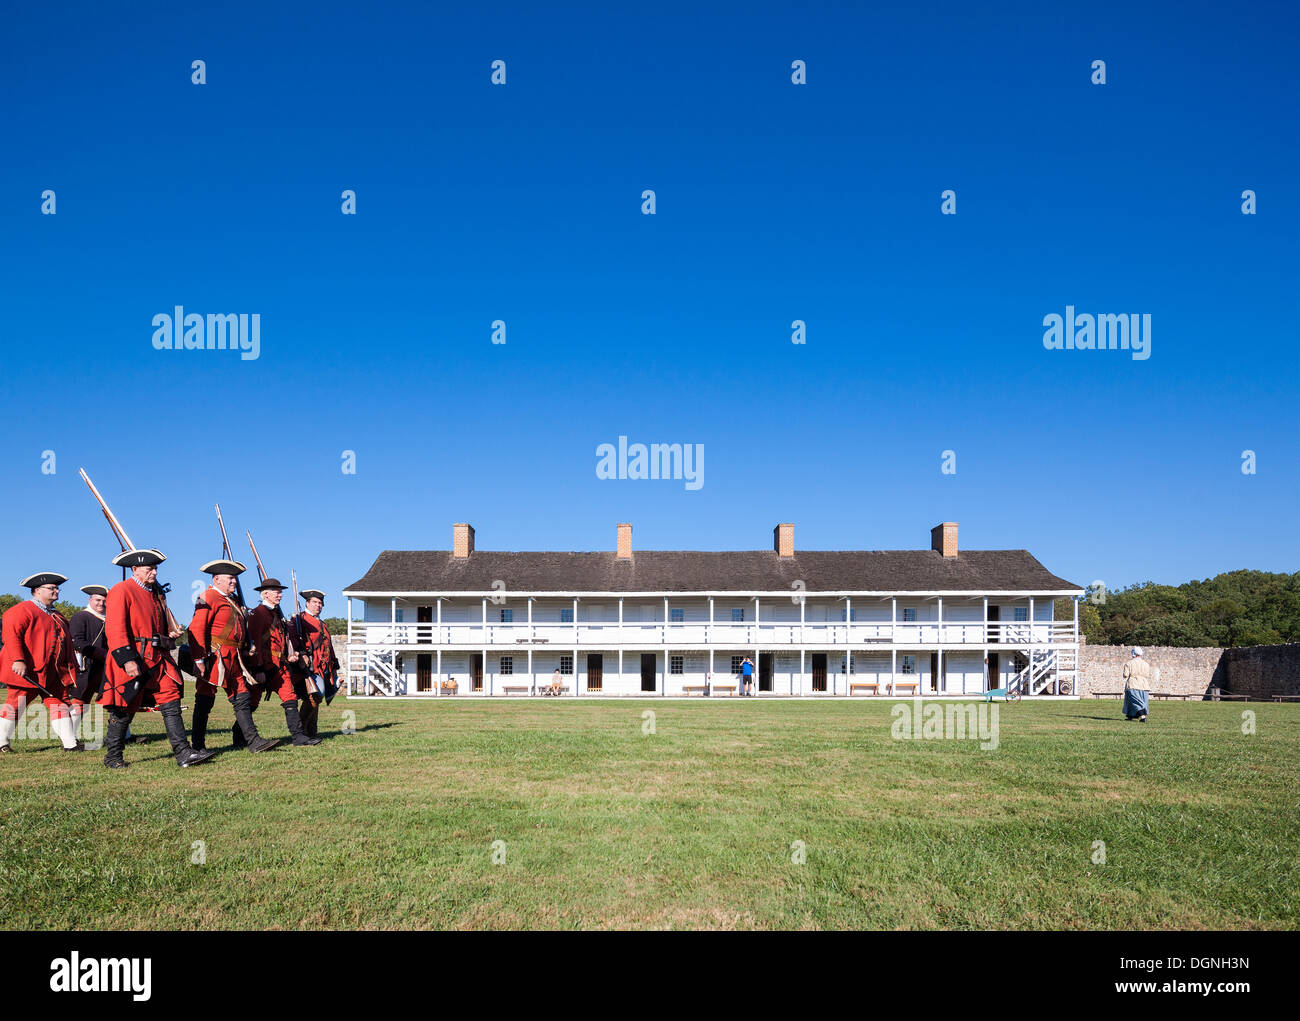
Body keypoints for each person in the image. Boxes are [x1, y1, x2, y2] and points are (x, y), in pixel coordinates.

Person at [101, 550, 215, 769]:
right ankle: (113, 757)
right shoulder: (121, 590)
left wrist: (168, 635)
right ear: (134, 569)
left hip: (158, 658)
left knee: (171, 700)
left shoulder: (156, 594)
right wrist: (126, 659)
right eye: (148, 569)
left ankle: (183, 753)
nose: (153, 572)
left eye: (155, 568)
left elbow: (155, 626)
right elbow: (114, 628)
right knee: (124, 708)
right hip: (133, 657)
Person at [188, 560, 280, 753]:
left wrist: (247, 646)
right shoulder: (207, 597)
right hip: (214, 656)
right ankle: (197, 746)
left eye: (234, 579)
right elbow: (196, 629)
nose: (234, 582)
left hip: (234, 657)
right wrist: (198, 659)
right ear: (217, 579)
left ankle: (253, 741)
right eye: (230, 578)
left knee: (243, 697)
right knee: (205, 700)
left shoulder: (235, 600)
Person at [0, 572, 82, 753]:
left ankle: (71, 744)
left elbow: (66, 645)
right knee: (16, 704)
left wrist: (71, 669)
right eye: (52, 588)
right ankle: (1, 743)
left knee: (59, 703)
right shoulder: (21, 610)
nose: (56, 592)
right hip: (28, 671)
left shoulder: (58, 616)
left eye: (57, 588)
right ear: (37, 590)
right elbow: (11, 637)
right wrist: (18, 660)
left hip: (53, 672)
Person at [247, 578, 318, 746]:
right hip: (263, 664)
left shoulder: (276, 613)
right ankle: (240, 735)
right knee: (253, 701)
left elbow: (282, 639)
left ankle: (298, 736)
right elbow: (255, 642)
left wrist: (289, 654)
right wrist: (257, 668)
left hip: (280, 664)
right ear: (265, 594)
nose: (280, 594)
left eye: (280, 591)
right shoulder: (258, 613)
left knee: (290, 698)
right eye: (276, 591)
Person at [287, 589, 340, 738]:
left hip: (323, 667)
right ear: (307, 603)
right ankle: (301, 728)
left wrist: (334, 666)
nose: (318, 605)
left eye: (320, 603)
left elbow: (329, 646)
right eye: (315, 602)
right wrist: (302, 654)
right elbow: (293, 639)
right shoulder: (299, 619)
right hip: (308, 666)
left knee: (314, 696)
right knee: (316, 694)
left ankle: (311, 731)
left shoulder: (322, 624)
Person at [69, 584, 110, 742]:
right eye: (98, 600)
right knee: (80, 701)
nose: (101, 603)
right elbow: (77, 641)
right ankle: (70, 737)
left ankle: (122, 735)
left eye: (104, 601)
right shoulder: (81, 617)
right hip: (86, 666)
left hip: (106, 667)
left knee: (116, 701)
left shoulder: (110, 618)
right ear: (90, 599)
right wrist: (101, 654)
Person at [1122, 646, 1151, 723]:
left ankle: (1142, 717)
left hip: (1133, 684)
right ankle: (1130, 715)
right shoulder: (1146, 664)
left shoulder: (1129, 663)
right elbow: (1147, 675)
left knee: (1136, 702)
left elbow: (1125, 675)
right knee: (1132, 701)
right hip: (1144, 685)